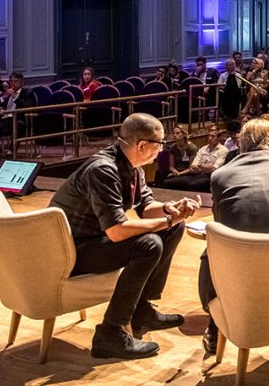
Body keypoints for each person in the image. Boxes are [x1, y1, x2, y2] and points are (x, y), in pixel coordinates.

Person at [48, 113, 201, 359]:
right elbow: (117, 231)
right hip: (72, 250)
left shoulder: (132, 165)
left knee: (172, 229)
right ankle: (110, 333)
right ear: (142, 145)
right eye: (160, 144)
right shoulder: (103, 170)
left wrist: (170, 210)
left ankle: (141, 310)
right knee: (148, 244)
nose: (161, 150)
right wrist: (169, 219)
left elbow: (145, 207)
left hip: (94, 241)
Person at [198, 118, 269, 355]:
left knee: (212, 251)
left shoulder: (220, 174)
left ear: (242, 146)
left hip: (236, 264)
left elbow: (220, 222)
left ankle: (216, 325)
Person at [161, 125, 227, 191]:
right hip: (197, 174)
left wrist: (200, 165)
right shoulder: (203, 149)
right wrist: (205, 166)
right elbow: (193, 166)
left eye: (213, 136)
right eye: (208, 136)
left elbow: (213, 168)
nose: (209, 138)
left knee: (192, 185)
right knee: (167, 182)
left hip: (211, 177)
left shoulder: (223, 150)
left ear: (218, 138)